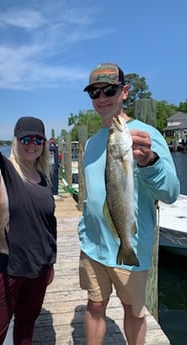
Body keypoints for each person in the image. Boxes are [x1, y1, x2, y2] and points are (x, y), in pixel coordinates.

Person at [78, 62, 180, 345]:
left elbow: (171, 192)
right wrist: (84, 229)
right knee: (95, 305)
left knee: (133, 311)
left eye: (108, 90)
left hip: (130, 245)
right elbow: (92, 196)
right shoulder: (92, 143)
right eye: (94, 93)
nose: (101, 98)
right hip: (93, 247)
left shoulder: (147, 135)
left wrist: (149, 162)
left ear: (124, 91)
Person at [0, 71, 57, 345]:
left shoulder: (43, 179)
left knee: (26, 329)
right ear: (16, 141)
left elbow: (48, 224)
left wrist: (50, 262)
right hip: (3, 266)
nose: (31, 144)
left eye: (37, 140)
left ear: (43, 145)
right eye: (25, 139)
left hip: (37, 268)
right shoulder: (2, 170)